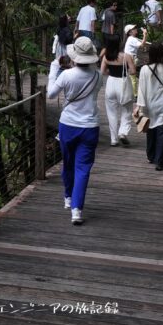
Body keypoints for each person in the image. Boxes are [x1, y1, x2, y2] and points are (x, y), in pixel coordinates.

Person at [46, 36, 102, 225]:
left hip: (68, 125)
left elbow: (51, 94)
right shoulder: (98, 75)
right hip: (90, 127)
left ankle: (69, 197)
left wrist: (54, 69)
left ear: (74, 57)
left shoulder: (67, 75)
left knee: (68, 163)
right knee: (83, 168)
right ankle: (76, 209)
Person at [133, 42, 163, 171]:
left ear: (150, 54)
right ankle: (159, 162)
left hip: (150, 105)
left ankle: (151, 156)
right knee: (162, 135)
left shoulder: (145, 69)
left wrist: (139, 106)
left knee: (150, 131)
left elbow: (141, 89)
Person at [99, 35, 135, 147]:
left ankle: (113, 139)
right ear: (119, 43)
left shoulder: (106, 56)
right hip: (123, 83)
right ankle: (123, 132)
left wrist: (111, 72)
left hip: (111, 83)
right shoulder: (126, 56)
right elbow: (133, 71)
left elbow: (102, 71)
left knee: (111, 112)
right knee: (127, 110)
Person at [123, 24, 148, 91]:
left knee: (132, 77)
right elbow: (142, 45)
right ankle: (134, 94)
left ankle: (133, 92)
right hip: (131, 59)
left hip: (130, 58)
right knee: (133, 77)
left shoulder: (131, 39)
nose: (135, 29)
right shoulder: (131, 39)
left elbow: (142, 44)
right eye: (133, 29)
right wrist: (145, 34)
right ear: (130, 32)